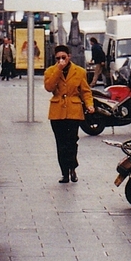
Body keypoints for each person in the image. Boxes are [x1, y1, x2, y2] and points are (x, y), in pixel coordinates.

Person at [43, 45, 94, 183]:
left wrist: (89, 104)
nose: (61, 60)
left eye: (63, 57)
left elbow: (85, 91)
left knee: (72, 141)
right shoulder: (50, 71)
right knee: (61, 143)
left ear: (69, 57)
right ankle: (64, 173)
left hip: (73, 110)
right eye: (58, 58)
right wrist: (58, 70)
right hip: (57, 112)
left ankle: (72, 168)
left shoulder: (80, 71)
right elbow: (49, 87)